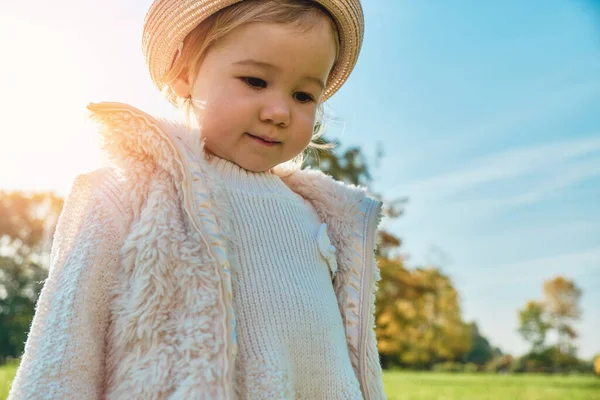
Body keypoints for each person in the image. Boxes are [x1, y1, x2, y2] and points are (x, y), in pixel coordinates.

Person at [8, 0, 386, 399]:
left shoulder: (321, 219)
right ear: (185, 73)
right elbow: (64, 349)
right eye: (256, 81)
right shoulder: (125, 194)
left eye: (304, 95)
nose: (279, 112)